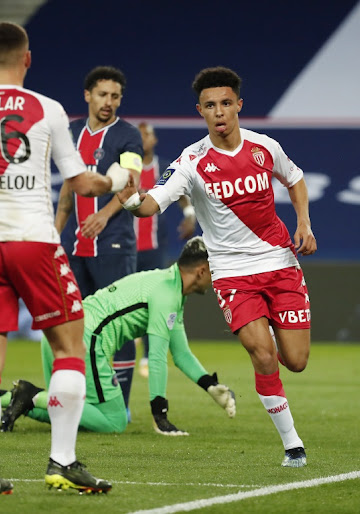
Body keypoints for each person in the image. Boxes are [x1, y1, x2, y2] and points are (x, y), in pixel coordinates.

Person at [0, 22, 130, 496]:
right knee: (70, 348)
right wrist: (114, 178)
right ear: (27, 59)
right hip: (34, 242)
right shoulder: (46, 109)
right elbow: (83, 183)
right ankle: (62, 463)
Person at [116, 66, 317, 468]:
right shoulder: (191, 161)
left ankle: (274, 342)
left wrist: (304, 223)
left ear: (239, 105)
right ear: (200, 111)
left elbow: (294, 179)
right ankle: (293, 444)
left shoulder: (265, 147)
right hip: (231, 274)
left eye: (226, 103)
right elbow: (153, 203)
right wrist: (130, 200)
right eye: (210, 106)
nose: (219, 111)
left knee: (295, 360)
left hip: (279, 262)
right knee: (262, 355)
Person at [0, 237, 236, 435]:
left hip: (60, 329)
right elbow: (155, 357)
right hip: (85, 338)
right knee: (114, 420)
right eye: (215, 271)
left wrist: (210, 385)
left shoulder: (168, 286)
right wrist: (160, 414)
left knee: (60, 409)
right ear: (201, 270)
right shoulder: (167, 294)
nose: (216, 278)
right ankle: (29, 394)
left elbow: (181, 353)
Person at [56, 66, 143, 419]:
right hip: (77, 249)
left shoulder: (128, 135)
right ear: (88, 95)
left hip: (114, 245)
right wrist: (52, 233)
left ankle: (120, 407)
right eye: (103, 94)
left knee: (118, 326)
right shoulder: (71, 132)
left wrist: (104, 215)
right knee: (75, 327)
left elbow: (132, 181)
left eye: (115, 96)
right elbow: (66, 187)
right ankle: (83, 399)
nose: (109, 102)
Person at [134, 121, 197, 378]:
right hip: (125, 246)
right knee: (129, 301)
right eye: (138, 136)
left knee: (153, 302)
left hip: (153, 247)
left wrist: (189, 212)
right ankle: (124, 353)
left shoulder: (163, 168)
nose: (142, 140)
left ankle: (149, 355)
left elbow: (180, 192)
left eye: (146, 135)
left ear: (154, 140)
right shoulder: (126, 170)